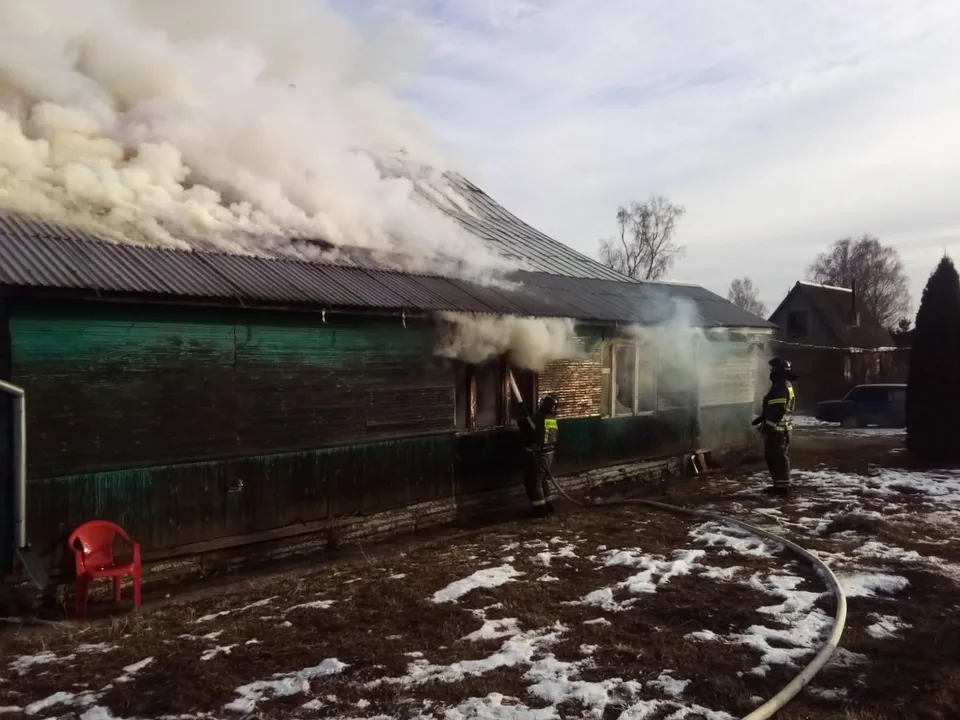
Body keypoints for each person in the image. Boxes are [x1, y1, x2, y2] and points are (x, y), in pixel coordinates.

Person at [752, 357, 797, 495]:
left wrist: (767, 427)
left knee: (778, 458)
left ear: (778, 370)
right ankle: (779, 485)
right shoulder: (783, 384)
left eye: (772, 369)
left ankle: (782, 488)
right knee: (774, 457)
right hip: (781, 429)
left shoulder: (780, 386)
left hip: (778, 430)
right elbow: (775, 407)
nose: (770, 371)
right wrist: (762, 418)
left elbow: (778, 409)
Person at [522, 394, 560, 517]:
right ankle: (549, 505)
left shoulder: (541, 418)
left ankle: (540, 510)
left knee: (535, 481)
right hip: (549, 454)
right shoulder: (551, 418)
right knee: (543, 480)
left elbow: (533, 434)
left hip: (540, 455)